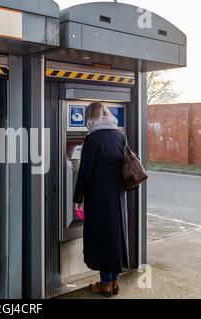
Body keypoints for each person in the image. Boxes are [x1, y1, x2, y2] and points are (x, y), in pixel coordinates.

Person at [73, 102, 130, 298]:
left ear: (91, 117)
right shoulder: (119, 134)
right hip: (117, 194)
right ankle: (113, 281)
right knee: (114, 236)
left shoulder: (93, 139)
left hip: (99, 195)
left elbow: (85, 173)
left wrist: (77, 196)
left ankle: (105, 284)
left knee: (103, 238)